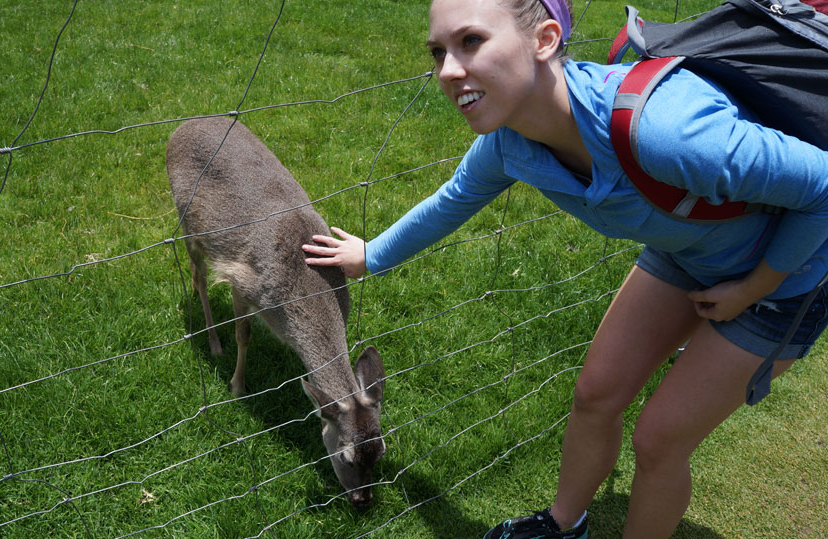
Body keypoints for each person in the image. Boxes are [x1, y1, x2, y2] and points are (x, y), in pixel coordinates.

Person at [301, 0, 828, 536]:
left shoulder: (667, 132)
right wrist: (371, 256)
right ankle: (561, 525)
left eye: (471, 42)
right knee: (595, 395)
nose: (448, 71)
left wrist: (752, 287)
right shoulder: (509, 143)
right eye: (438, 52)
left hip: (788, 275)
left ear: (545, 39)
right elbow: (451, 201)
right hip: (689, 250)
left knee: (659, 439)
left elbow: (824, 189)